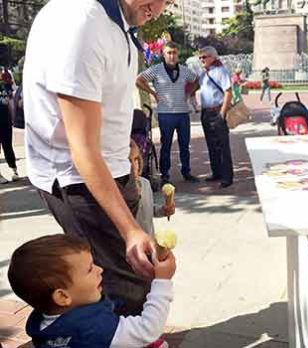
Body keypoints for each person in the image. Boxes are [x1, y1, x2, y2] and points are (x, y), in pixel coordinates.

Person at [23, 0, 171, 316]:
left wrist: (125, 141)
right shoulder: (81, 22)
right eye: (166, 0)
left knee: (133, 284)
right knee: (125, 291)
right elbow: (82, 149)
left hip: (110, 170)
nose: (158, 12)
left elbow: (102, 97)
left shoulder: (118, 21)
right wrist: (130, 230)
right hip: (82, 182)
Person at [8, 234, 175, 347]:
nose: (100, 269)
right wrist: (162, 281)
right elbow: (148, 329)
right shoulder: (93, 329)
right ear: (63, 296)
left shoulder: (44, 321)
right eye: (89, 269)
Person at [136, 41, 199, 184]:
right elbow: (139, 80)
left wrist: (189, 92)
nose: (172, 56)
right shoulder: (156, 70)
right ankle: (165, 174)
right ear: (163, 55)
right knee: (166, 145)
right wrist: (153, 93)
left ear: (177, 54)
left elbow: (196, 80)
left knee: (184, 145)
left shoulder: (184, 70)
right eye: (169, 53)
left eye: (174, 53)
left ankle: (187, 172)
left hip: (183, 113)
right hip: (166, 114)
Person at [197, 47, 233, 188]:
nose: (201, 60)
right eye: (200, 57)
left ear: (213, 57)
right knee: (211, 145)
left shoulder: (220, 71)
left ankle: (227, 177)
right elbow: (196, 87)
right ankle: (216, 172)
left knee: (223, 146)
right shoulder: (204, 73)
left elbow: (228, 92)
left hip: (217, 111)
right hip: (206, 112)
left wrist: (222, 113)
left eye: (204, 57)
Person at [129, 139, 175, 235]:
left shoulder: (145, 183)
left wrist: (163, 210)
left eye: (135, 160)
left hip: (149, 239)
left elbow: (149, 210)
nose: (133, 166)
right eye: (129, 162)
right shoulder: (120, 190)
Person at [0, 89, 18, 183]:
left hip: (5, 122)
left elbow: (11, 103)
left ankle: (14, 170)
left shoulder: (4, 89)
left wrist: (13, 119)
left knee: (8, 147)